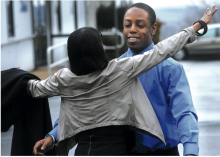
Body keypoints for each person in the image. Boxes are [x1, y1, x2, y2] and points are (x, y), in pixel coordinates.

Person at [31, 3, 218, 156]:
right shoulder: (113, 69)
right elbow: (82, 104)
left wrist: (191, 151)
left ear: (153, 29)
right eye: (127, 24)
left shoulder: (171, 69)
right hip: (126, 151)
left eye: (140, 24)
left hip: (163, 152)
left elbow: (184, 113)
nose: (132, 30)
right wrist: (53, 136)